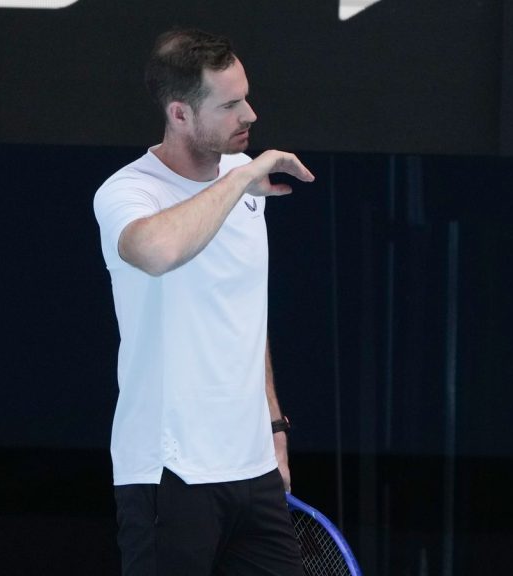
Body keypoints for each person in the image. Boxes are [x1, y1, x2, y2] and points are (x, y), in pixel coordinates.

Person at [93, 28, 314, 576]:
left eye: (246, 96)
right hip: (168, 475)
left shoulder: (243, 179)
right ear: (180, 114)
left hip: (254, 470)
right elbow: (157, 251)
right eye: (230, 104)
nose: (251, 114)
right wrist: (241, 183)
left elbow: (242, 317)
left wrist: (274, 431)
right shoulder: (127, 192)